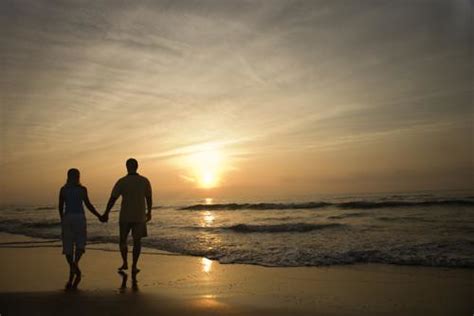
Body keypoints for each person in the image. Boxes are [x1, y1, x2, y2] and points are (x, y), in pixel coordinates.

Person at [102, 158, 152, 278]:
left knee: (123, 241)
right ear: (137, 166)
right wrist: (149, 212)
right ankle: (134, 265)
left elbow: (113, 198)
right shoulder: (144, 181)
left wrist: (106, 212)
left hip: (125, 215)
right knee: (137, 242)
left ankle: (125, 262)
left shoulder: (122, 181)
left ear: (126, 167)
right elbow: (149, 198)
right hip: (139, 216)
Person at [58, 168, 102, 289]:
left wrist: (63, 220)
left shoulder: (63, 190)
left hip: (68, 218)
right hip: (79, 218)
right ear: (78, 177)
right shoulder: (82, 189)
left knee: (68, 246)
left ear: (68, 177)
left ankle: (73, 268)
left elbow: (60, 207)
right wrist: (99, 216)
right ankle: (75, 265)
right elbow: (88, 205)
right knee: (80, 244)